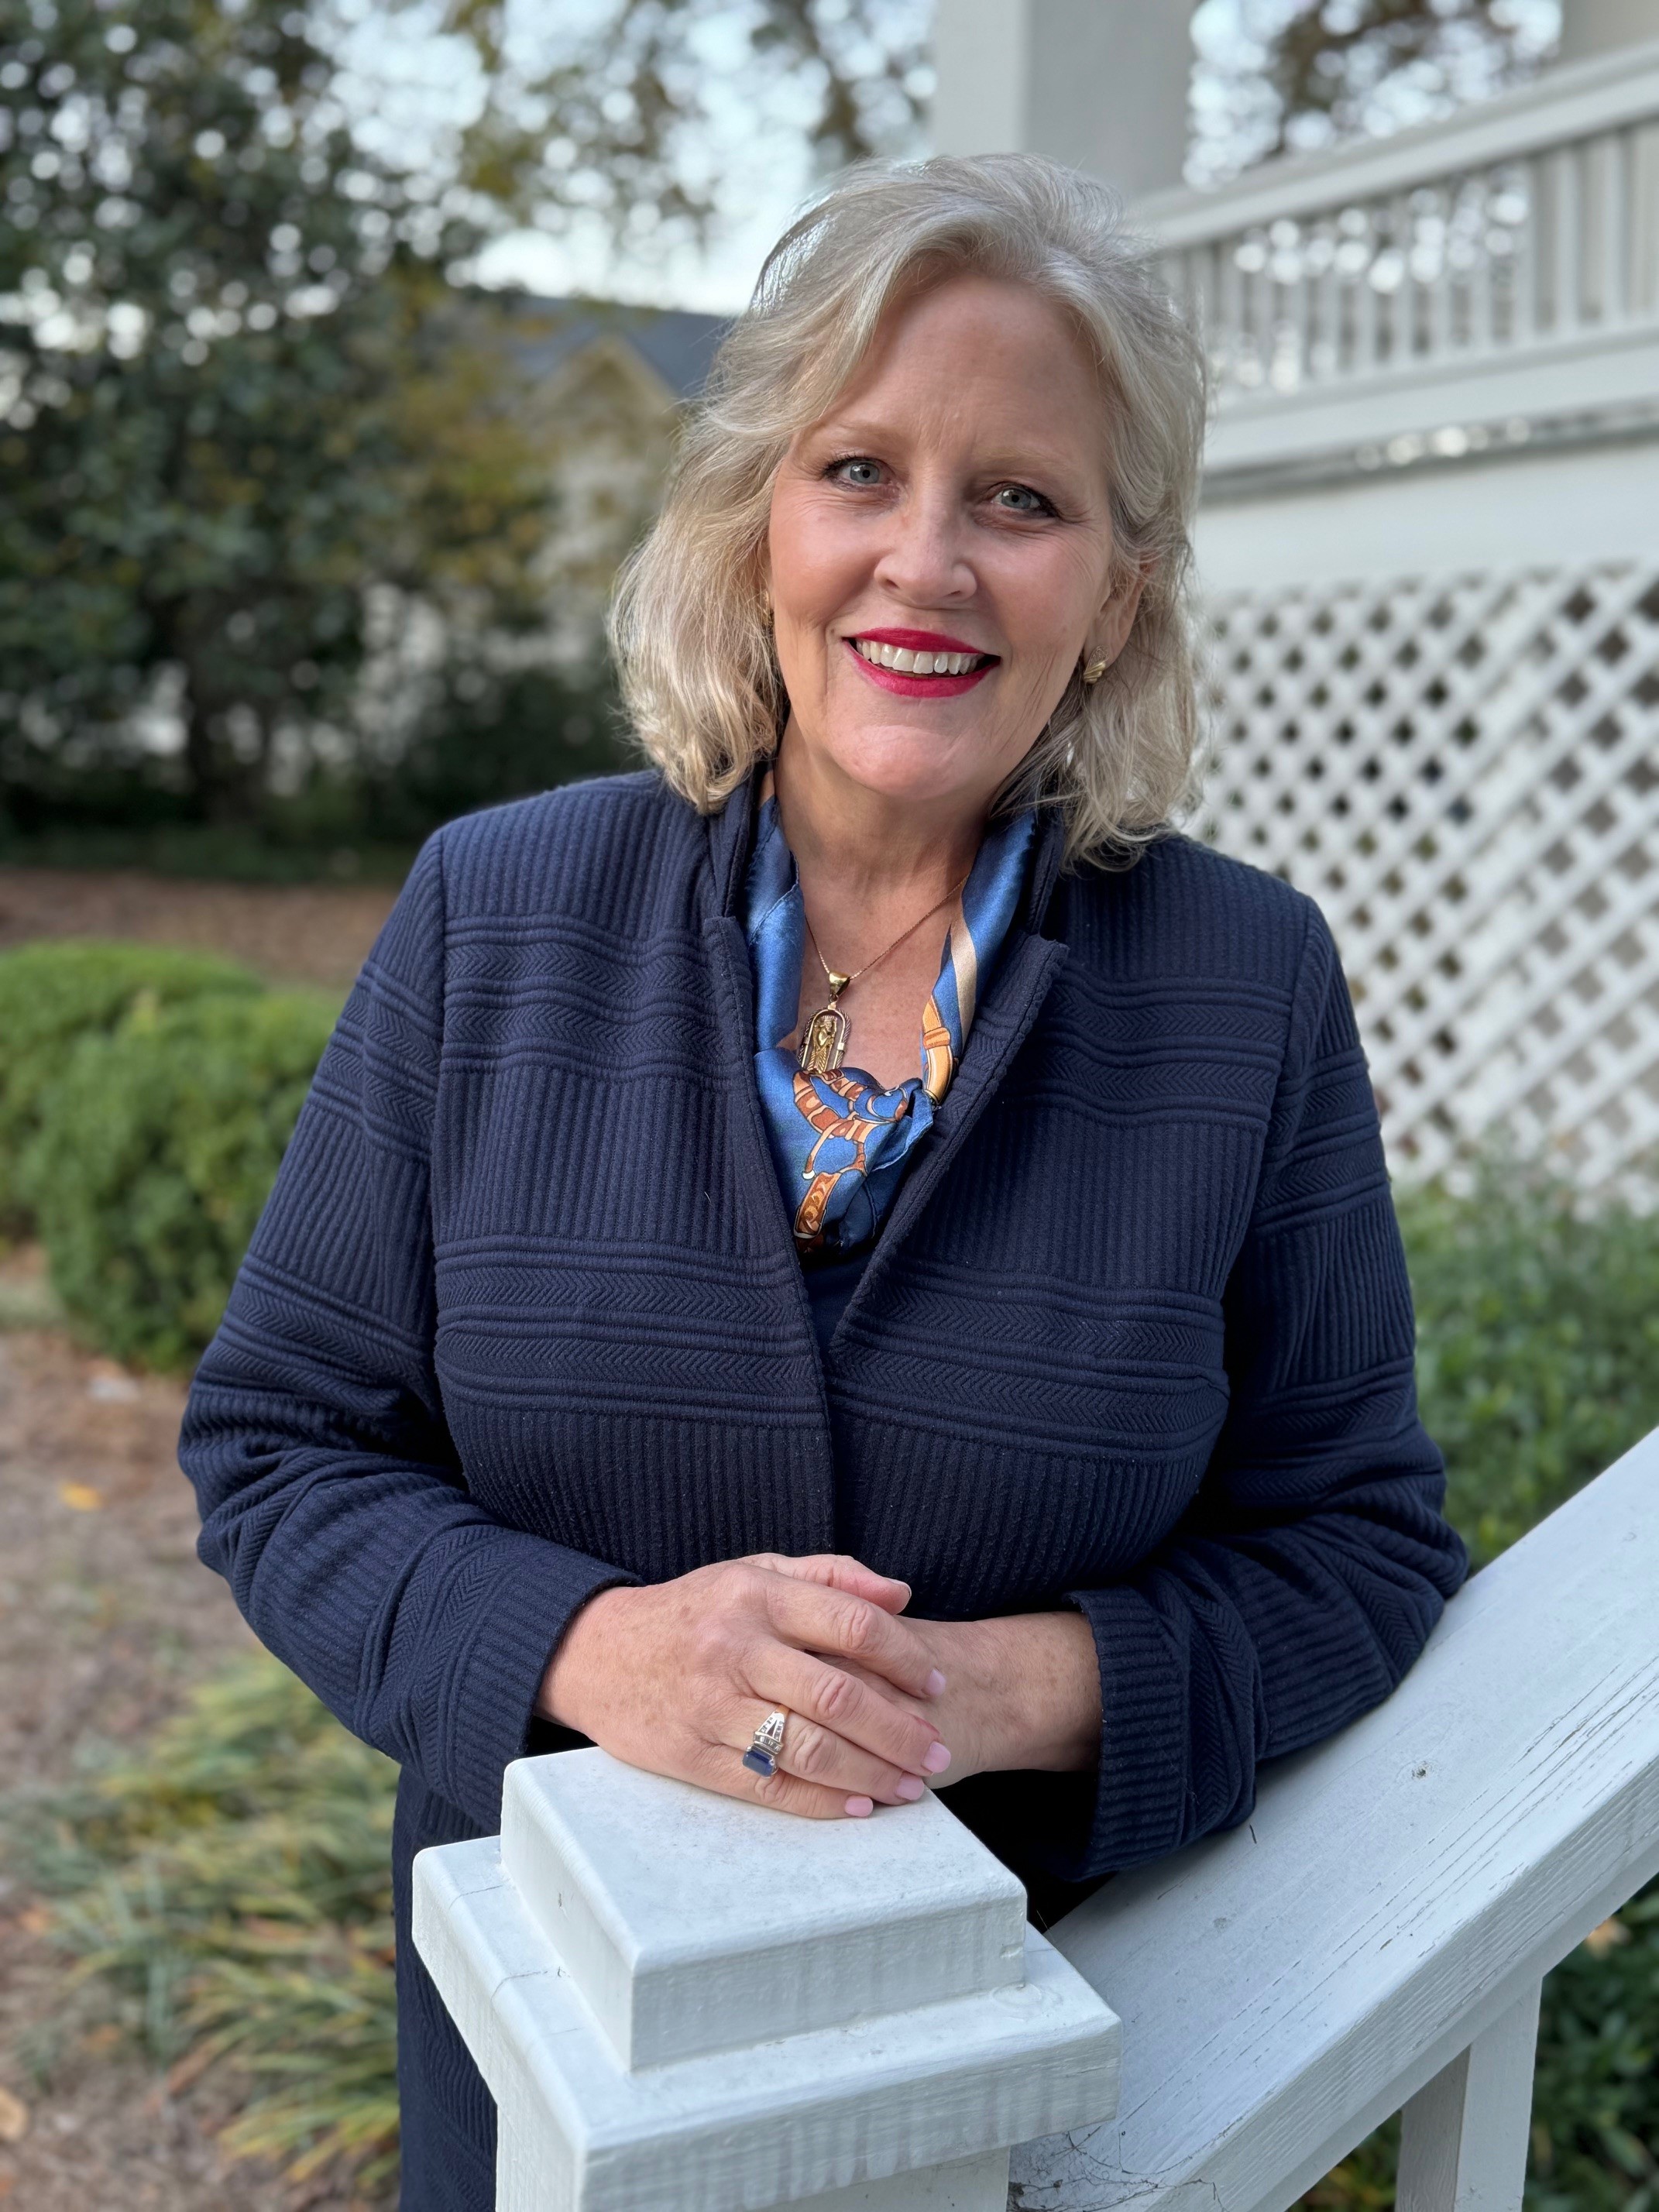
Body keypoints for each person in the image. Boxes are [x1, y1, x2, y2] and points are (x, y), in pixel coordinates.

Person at [179, 153, 1469, 2210]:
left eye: (1022, 500)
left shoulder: (1246, 988)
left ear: (1121, 589)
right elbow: (279, 1448)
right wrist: (591, 1648)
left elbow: (1359, 1545)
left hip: (1041, 2086)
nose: (925, 564)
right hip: (547, 2082)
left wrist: (1003, 1690)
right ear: (761, 521)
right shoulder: (493, 912)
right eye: (859, 471)